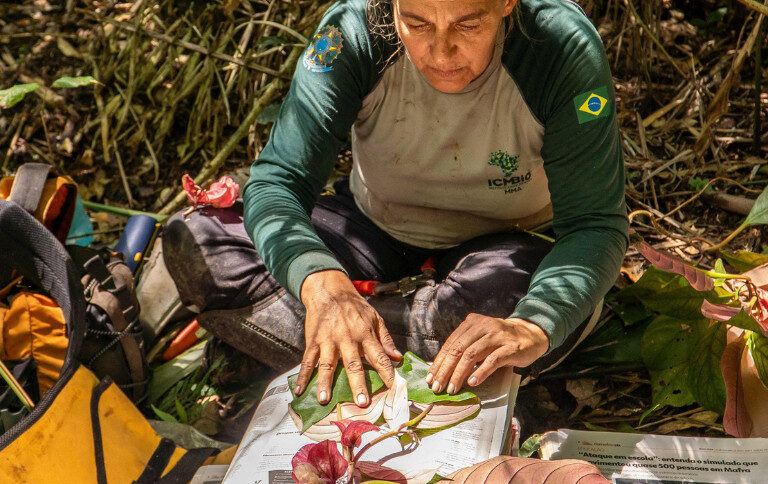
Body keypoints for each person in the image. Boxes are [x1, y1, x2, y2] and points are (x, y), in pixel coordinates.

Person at [164, 0, 627, 409]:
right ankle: (421, 357)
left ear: (508, 4)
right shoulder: (354, 32)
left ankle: (312, 345)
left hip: (509, 239)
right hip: (374, 218)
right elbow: (279, 179)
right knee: (199, 241)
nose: (442, 53)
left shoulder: (559, 45)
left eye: (468, 25)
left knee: (516, 313)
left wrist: (534, 324)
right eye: (417, 23)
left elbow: (594, 226)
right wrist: (323, 287)